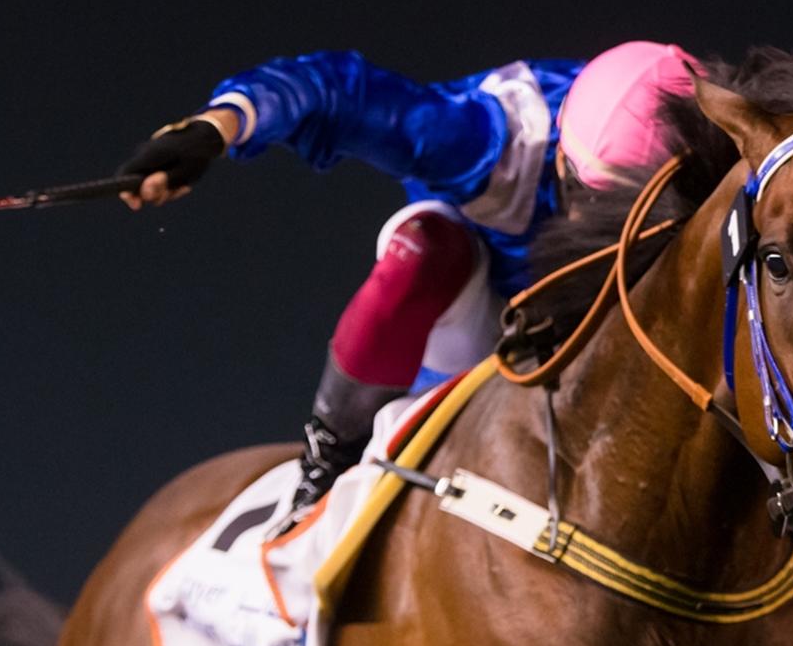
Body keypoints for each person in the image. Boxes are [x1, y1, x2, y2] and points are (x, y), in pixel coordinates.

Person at [115, 42, 699, 525]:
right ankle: (331, 457)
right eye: (602, 203)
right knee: (424, 247)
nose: (612, 228)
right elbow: (335, 89)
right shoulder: (478, 140)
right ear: (563, 160)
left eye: (639, 212)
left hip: (582, 309)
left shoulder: (712, 152)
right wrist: (216, 128)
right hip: (479, 304)